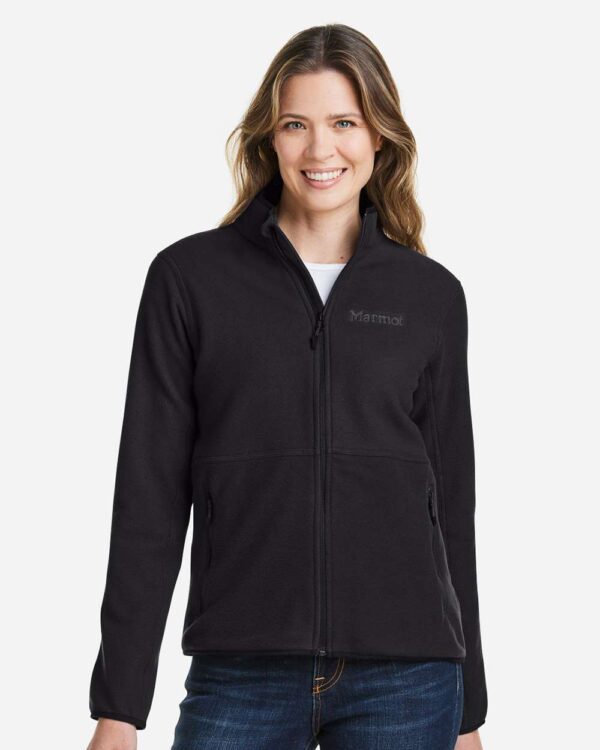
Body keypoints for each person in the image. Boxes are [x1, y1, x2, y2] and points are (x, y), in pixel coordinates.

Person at [87, 23, 487, 750]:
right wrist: (119, 707)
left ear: (380, 136)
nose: (320, 149)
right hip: (241, 671)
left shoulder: (429, 295)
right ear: (269, 139)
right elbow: (147, 497)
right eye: (296, 124)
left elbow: (452, 504)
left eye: (344, 123)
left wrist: (470, 713)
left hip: (408, 679)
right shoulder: (190, 280)